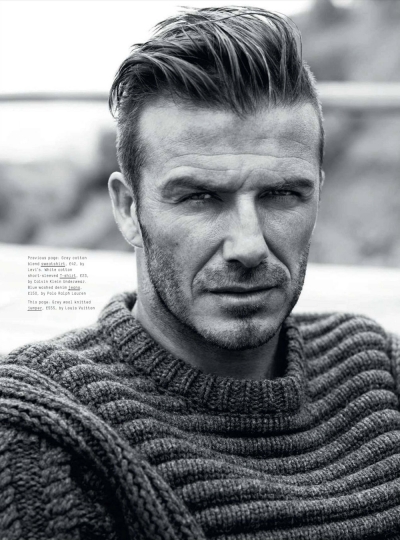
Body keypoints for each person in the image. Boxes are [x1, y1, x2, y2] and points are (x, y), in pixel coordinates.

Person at [1, 6, 399, 539]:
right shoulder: (46, 425)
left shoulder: (377, 366)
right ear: (128, 209)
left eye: (282, 194)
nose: (248, 246)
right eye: (199, 198)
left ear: (318, 193)